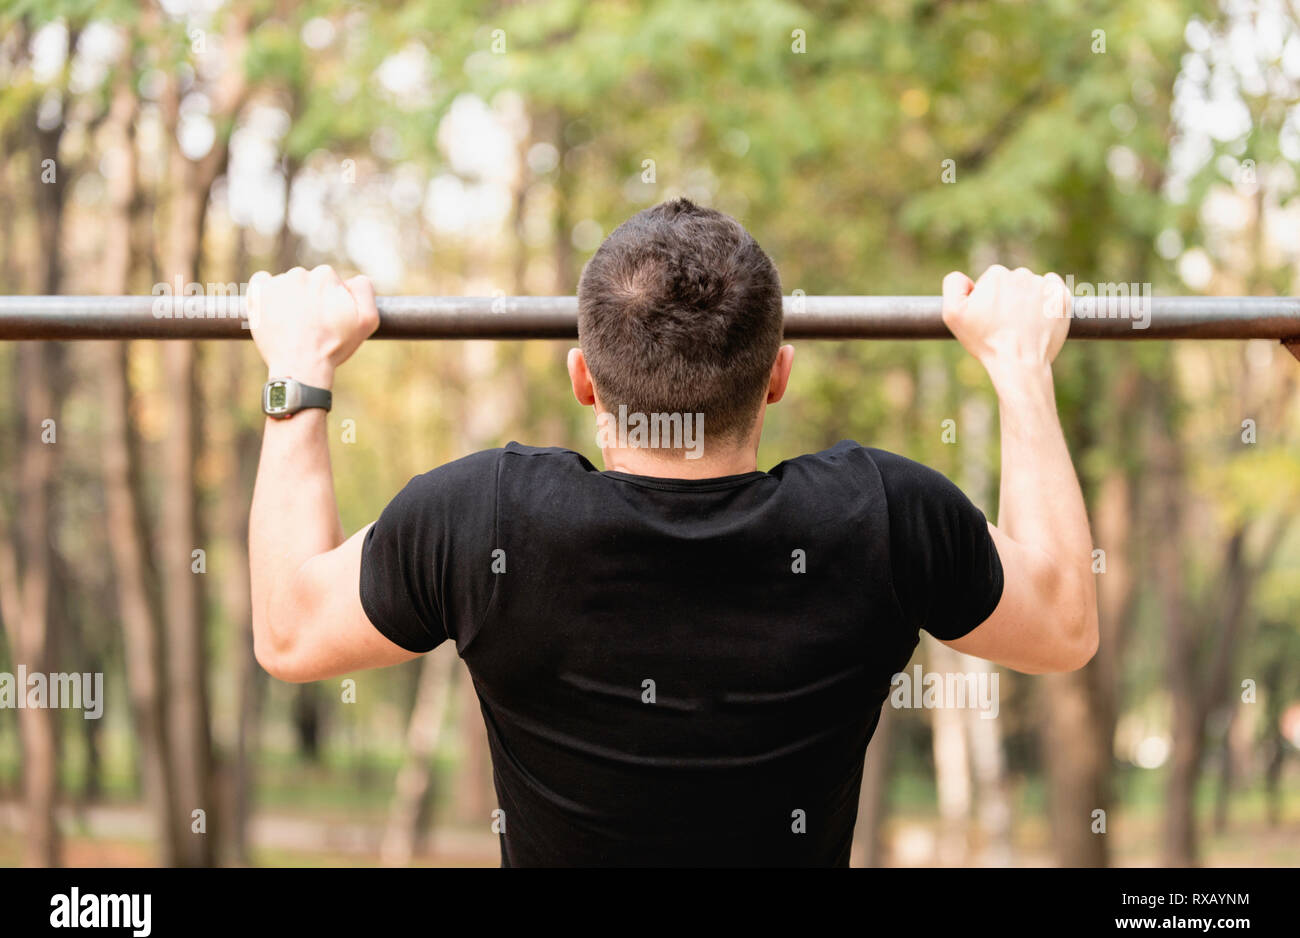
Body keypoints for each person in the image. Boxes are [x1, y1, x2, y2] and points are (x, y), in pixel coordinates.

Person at [245, 198, 1099, 866]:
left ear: (584, 379)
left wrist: (298, 372)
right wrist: (1020, 369)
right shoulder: (878, 516)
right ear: (779, 377)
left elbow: (290, 630)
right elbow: (1062, 624)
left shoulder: (486, 519)